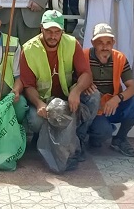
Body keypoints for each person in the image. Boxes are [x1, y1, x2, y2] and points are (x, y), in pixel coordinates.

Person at [21, 10, 100, 152]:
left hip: (67, 97)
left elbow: (86, 74)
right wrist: (38, 104)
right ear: (41, 28)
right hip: (43, 100)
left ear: (62, 31)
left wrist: (76, 91)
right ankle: (41, 138)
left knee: (94, 96)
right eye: (49, 31)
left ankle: (79, 137)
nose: (53, 36)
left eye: (57, 32)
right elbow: (28, 86)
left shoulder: (72, 43)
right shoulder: (28, 49)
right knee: (35, 120)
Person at [85, 23, 134, 157]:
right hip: (93, 109)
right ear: (93, 43)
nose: (105, 47)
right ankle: (94, 135)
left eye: (108, 43)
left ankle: (120, 139)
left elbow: (132, 87)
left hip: (112, 105)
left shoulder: (119, 58)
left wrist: (117, 99)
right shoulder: (84, 56)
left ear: (113, 43)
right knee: (102, 132)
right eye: (100, 42)